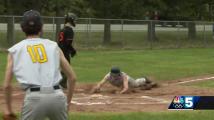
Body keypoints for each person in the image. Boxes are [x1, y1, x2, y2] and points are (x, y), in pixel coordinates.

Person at [3, 10, 76, 120]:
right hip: (57, 96)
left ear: (22, 28)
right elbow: (72, 78)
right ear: (41, 27)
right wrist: (68, 104)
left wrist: (8, 110)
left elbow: (7, 85)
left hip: (33, 98)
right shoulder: (54, 46)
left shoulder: (15, 50)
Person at [91, 67, 157, 94]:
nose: (118, 74)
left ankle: (145, 79)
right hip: (119, 83)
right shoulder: (108, 76)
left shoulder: (123, 75)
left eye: (118, 73)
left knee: (136, 84)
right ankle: (145, 86)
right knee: (121, 87)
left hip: (128, 80)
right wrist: (98, 87)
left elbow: (126, 87)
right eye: (116, 74)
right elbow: (101, 83)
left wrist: (120, 93)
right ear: (112, 74)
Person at [58, 12, 77, 88]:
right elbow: (68, 43)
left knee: (62, 67)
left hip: (59, 50)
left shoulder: (62, 29)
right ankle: (62, 84)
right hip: (64, 51)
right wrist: (72, 50)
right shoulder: (69, 30)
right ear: (70, 20)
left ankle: (62, 83)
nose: (75, 21)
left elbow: (60, 42)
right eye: (74, 20)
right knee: (66, 67)